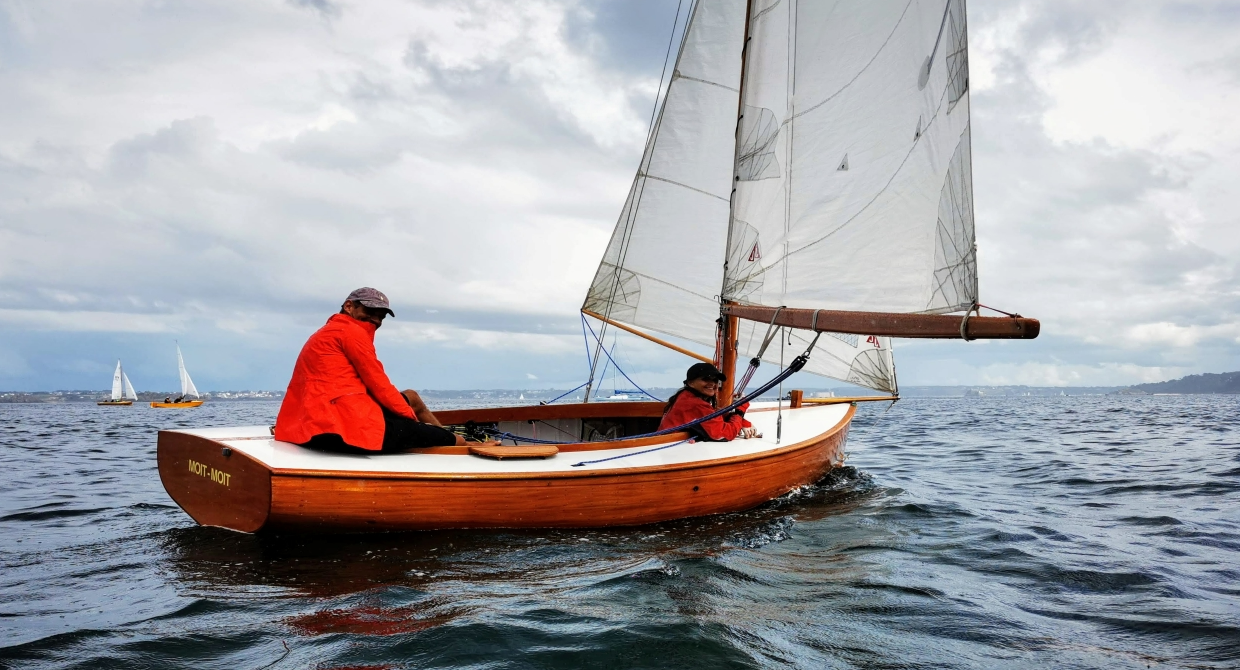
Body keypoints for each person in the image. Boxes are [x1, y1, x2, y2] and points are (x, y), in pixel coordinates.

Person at [274, 287, 469, 453]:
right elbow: (379, 384)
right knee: (454, 440)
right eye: (369, 311)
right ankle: (460, 446)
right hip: (342, 428)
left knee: (412, 397)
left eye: (381, 316)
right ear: (349, 306)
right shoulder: (351, 332)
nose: (376, 320)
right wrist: (412, 424)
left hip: (313, 422)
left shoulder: (327, 332)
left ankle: (443, 438)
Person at [658, 362, 761, 441]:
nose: (712, 383)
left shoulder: (685, 396)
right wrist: (739, 412)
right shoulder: (695, 404)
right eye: (706, 379)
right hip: (670, 450)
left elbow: (714, 415)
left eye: (715, 380)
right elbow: (725, 434)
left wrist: (742, 422)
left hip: (665, 445)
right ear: (691, 383)